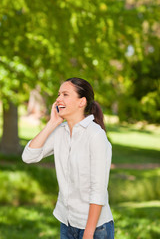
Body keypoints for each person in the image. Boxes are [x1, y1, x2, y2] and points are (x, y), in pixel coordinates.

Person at [22, 77, 114, 239]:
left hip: (95, 228)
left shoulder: (95, 135)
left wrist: (88, 233)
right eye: (59, 94)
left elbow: (98, 190)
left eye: (65, 94)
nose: (58, 99)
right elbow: (29, 156)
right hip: (67, 223)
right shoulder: (60, 132)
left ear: (81, 102)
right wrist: (52, 123)